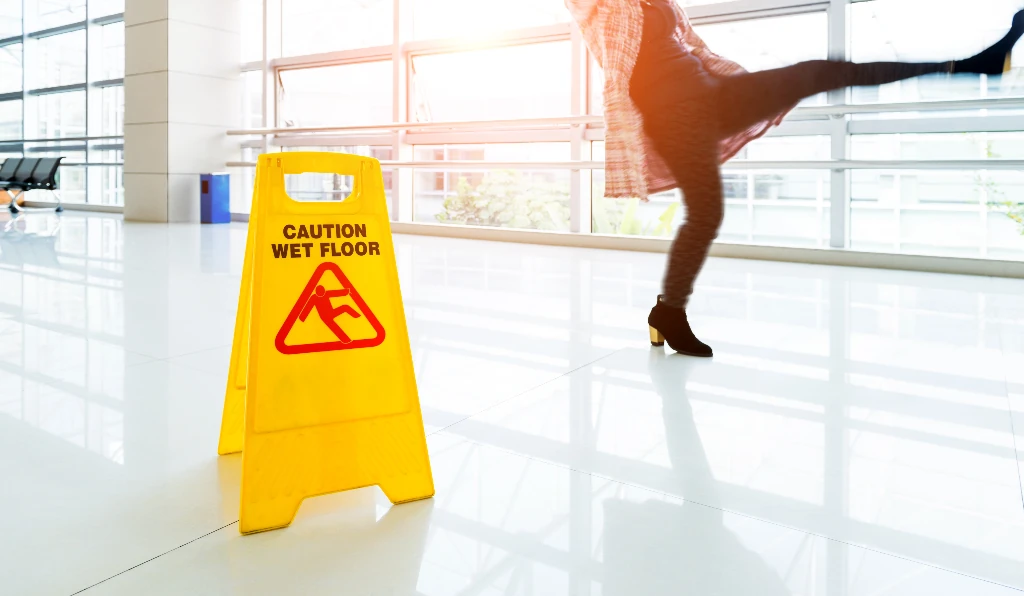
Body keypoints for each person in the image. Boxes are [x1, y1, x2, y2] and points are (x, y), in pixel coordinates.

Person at [566, 0, 1024, 357]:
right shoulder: (600, 9)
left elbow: (696, 49)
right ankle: (669, 312)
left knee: (820, 72)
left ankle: (971, 64)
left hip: (714, 97)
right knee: (707, 214)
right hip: (672, 118)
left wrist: (747, 88)